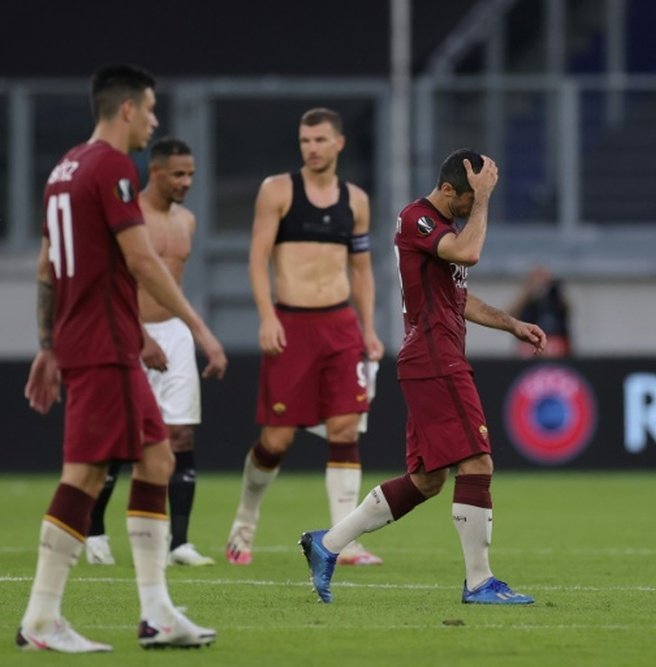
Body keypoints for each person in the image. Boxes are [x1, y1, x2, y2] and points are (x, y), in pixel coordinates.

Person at [18, 64, 226, 653]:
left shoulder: (64, 168)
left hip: (96, 341)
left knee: (156, 460)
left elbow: (46, 269)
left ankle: (158, 612)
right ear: (129, 109)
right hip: (104, 345)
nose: (156, 120)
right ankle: (40, 619)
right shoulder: (111, 166)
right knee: (84, 474)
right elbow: (141, 261)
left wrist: (49, 345)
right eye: (152, 109)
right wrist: (200, 328)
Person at [299, 148, 547, 605]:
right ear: (448, 189)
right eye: (469, 200)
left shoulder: (445, 230)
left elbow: (460, 298)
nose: (474, 208)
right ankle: (479, 583)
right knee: (477, 463)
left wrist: (512, 323)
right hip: (435, 358)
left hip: (435, 356)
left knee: (427, 479)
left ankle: (327, 543)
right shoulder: (419, 219)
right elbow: (470, 253)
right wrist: (487, 199)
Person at [225, 108, 384, 567]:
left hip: (339, 326)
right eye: (304, 140)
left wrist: (368, 328)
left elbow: (361, 270)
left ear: (339, 144)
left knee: (344, 427)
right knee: (276, 440)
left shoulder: (355, 200)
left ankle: (343, 540)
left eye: (319, 139)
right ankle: (244, 523)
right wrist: (266, 316)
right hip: (291, 325)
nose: (311, 148)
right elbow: (257, 259)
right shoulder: (277, 191)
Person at [83, 138, 214, 568]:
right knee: (122, 441)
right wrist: (140, 335)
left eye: (191, 174)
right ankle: (95, 532)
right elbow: (110, 283)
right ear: (154, 172)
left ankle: (180, 543)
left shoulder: (188, 222)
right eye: (178, 174)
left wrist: (197, 334)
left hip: (173, 335)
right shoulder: (129, 217)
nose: (186, 182)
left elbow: (171, 286)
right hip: (128, 332)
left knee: (181, 436)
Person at [508, 265, 572, 358]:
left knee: (553, 349)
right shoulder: (527, 299)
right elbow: (510, 314)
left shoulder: (555, 298)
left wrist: (556, 292)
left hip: (555, 340)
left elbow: (568, 309)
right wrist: (528, 292)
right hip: (530, 341)